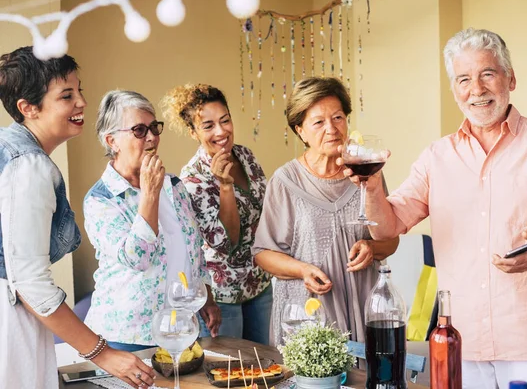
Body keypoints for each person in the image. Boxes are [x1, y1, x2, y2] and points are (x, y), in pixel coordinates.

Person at [344, 28, 527, 388]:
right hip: (461, 348)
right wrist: (370, 186)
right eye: (464, 79)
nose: (476, 89)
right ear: (454, 90)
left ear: (510, 78)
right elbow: (386, 227)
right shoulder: (437, 156)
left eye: (487, 74)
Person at [0, 47, 154, 388]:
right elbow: (29, 282)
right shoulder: (29, 166)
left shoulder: (10, 150)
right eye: (67, 95)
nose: (82, 102)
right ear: (28, 108)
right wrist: (102, 353)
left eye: (79, 90)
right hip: (11, 324)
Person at [252, 77, 399, 348]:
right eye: (318, 122)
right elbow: (263, 253)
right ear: (301, 131)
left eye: (338, 118)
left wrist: (371, 247)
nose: (331, 129)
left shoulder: (367, 170)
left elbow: (391, 239)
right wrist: (302, 270)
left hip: (362, 305)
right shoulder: (285, 181)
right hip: (306, 315)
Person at [83, 90, 221, 351]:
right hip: (128, 336)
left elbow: (193, 249)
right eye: (138, 130)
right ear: (112, 141)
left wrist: (207, 299)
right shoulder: (101, 200)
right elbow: (138, 258)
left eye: (154, 127)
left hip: (180, 328)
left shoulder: (174, 185)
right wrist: (149, 194)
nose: (152, 137)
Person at [161, 84, 272, 344]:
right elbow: (227, 243)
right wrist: (225, 186)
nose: (221, 131)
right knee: (232, 373)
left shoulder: (245, 156)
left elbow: (266, 212)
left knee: (267, 366)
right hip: (223, 296)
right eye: (208, 125)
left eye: (225, 120)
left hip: (260, 283)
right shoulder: (193, 178)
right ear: (193, 132)